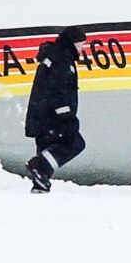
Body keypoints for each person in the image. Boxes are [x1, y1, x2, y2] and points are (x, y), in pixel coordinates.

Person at [24, 26, 87, 193]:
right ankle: (38, 166)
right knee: (75, 143)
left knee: (47, 148)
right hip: (52, 117)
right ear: (73, 43)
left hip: (41, 115)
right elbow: (58, 88)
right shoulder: (62, 59)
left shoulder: (53, 56)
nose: (82, 49)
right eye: (81, 45)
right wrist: (66, 116)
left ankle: (40, 187)